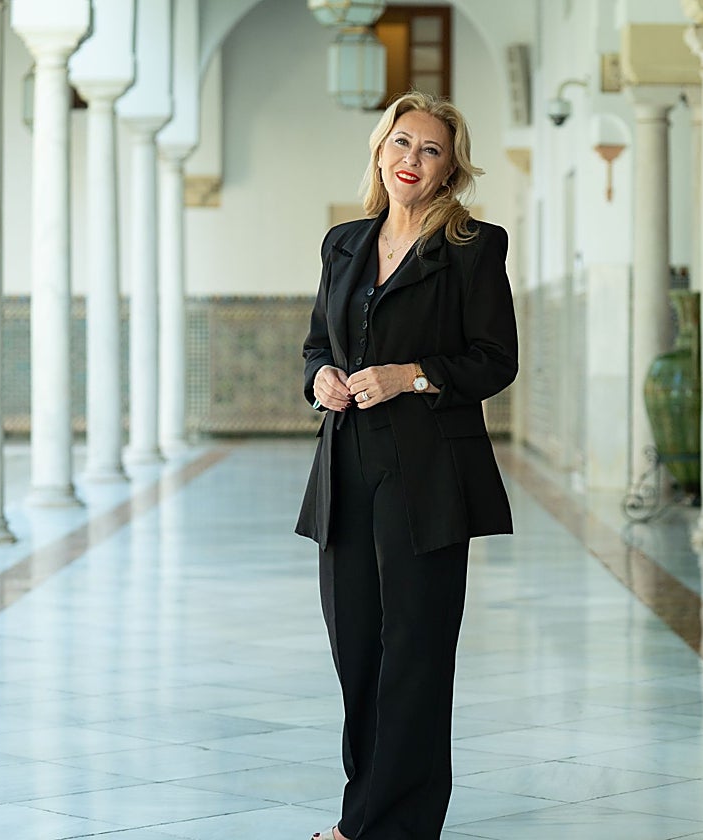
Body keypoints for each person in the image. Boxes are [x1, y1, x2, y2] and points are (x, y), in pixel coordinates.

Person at [295, 90, 518, 840]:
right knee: (356, 648)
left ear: (452, 166)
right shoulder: (343, 244)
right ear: (379, 151)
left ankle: (380, 829)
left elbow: (494, 360)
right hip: (346, 465)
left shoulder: (472, 247)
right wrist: (320, 379)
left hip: (427, 472)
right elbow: (316, 346)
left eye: (430, 149)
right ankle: (372, 817)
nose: (411, 160)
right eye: (401, 143)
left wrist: (411, 374)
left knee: (415, 655)